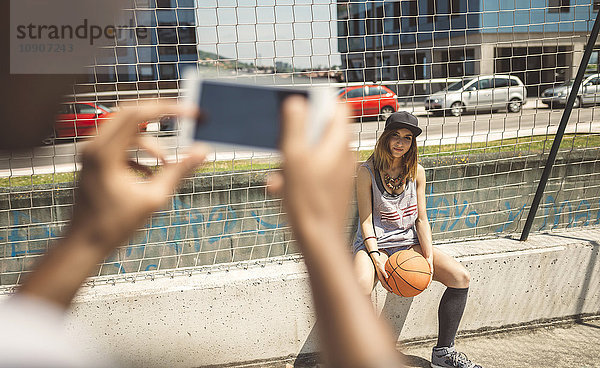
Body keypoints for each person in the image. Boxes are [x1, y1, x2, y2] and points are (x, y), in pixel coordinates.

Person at [352, 112, 482, 368]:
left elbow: (421, 220)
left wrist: (429, 256)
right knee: (359, 287)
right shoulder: (366, 171)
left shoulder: (416, 172)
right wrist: (376, 256)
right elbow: (366, 221)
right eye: (395, 136)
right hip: (374, 243)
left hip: (408, 242)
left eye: (407, 138)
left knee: (460, 277)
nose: (400, 143)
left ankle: (443, 354)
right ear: (385, 138)